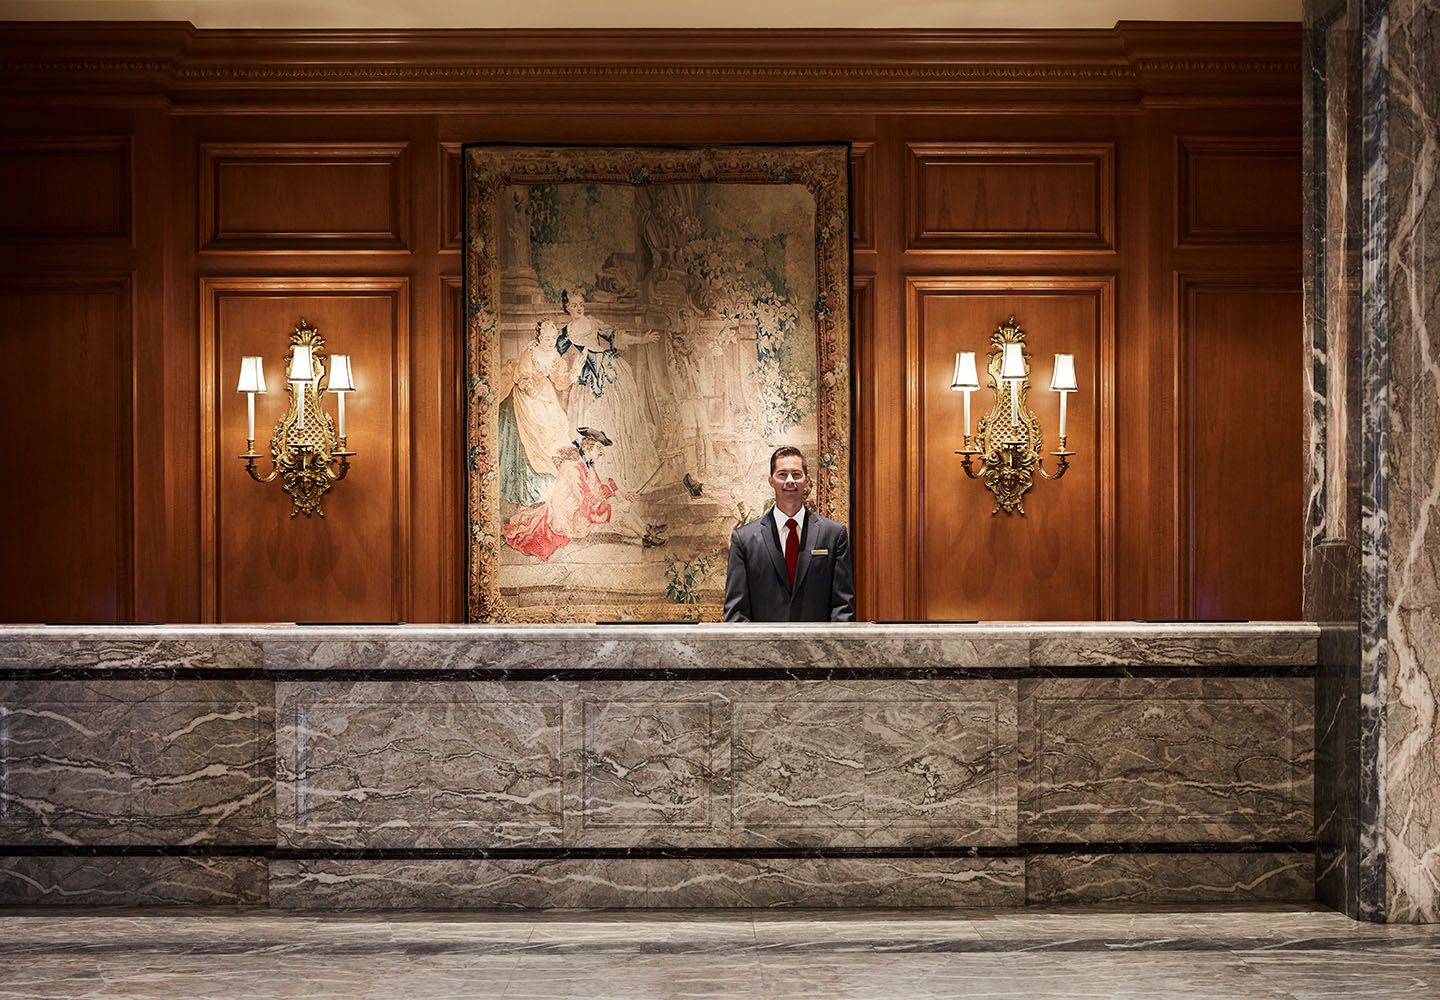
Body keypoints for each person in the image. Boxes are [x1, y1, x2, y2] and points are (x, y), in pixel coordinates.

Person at [723, 446, 855, 622]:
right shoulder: (744, 539)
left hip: (817, 640)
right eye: (782, 474)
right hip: (763, 640)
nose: (790, 480)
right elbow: (736, 613)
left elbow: (842, 608)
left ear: (807, 480)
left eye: (796, 474)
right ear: (771, 480)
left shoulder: (833, 535)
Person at [503, 427, 619, 562]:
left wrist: (618, 496)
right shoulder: (573, 466)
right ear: (587, 447)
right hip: (564, 512)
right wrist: (610, 506)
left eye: (602, 449)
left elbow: (598, 485)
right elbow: (584, 495)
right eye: (598, 448)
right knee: (613, 511)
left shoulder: (587, 464)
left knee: (611, 497)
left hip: (574, 504)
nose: (601, 453)